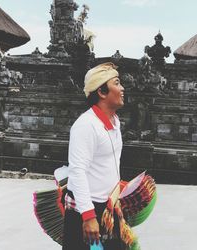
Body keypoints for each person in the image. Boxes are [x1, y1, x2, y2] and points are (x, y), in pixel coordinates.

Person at [63, 62, 125, 250]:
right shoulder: (86, 125)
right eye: (117, 83)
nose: (122, 88)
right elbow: (77, 171)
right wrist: (88, 217)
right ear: (102, 92)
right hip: (86, 210)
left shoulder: (114, 121)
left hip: (109, 207)